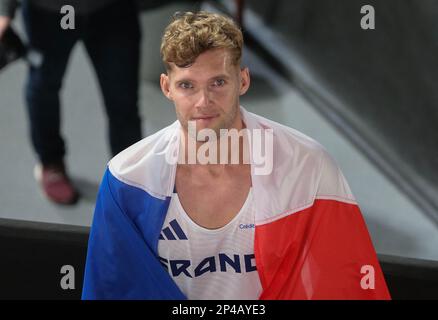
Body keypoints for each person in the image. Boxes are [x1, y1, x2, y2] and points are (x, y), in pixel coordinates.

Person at [82, 11, 391, 300]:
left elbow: (350, 284)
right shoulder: (127, 178)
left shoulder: (307, 166)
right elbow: (109, 288)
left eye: (218, 82)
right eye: (187, 85)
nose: (204, 101)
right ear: (167, 88)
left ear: (243, 80)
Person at [0, 0, 142, 204]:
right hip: (48, 12)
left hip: (112, 10)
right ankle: (50, 163)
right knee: (44, 86)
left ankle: (130, 174)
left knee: (123, 98)